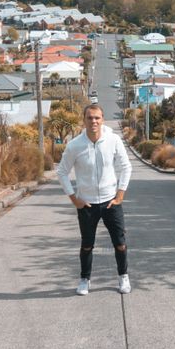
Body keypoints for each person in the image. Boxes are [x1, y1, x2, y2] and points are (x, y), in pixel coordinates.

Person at [56, 104, 132, 296]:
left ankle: (123, 276)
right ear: (84, 120)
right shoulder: (75, 145)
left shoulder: (113, 140)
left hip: (110, 202)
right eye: (90, 118)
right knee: (87, 244)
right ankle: (84, 279)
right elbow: (62, 171)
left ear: (103, 119)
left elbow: (126, 166)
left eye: (97, 118)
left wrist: (120, 194)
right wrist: (74, 198)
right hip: (87, 203)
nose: (93, 122)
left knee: (120, 243)